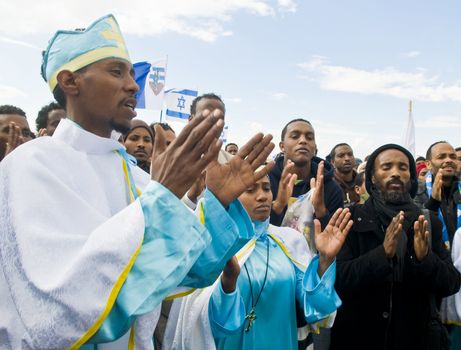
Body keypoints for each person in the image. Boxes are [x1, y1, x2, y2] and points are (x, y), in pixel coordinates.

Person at [0, 14, 275, 349]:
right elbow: (61, 307)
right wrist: (165, 194)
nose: (133, 85)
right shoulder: (31, 164)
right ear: (71, 82)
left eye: (132, 73)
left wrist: (217, 201)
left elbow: (182, 272)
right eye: (117, 71)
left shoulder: (133, 175)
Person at [171, 174, 353, 350]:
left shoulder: (289, 240)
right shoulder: (216, 242)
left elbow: (314, 308)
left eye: (267, 188)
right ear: (232, 195)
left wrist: (325, 260)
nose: (262, 197)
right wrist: (228, 285)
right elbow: (207, 324)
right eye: (250, 190)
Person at [331, 144, 461, 350]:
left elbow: (451, 284)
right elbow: (337, 280)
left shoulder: (428, 221)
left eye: (402, 167)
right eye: (386, 167)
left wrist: (424, 259)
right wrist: (382, 255)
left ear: (410, 176)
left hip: (418, 338)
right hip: (360, 338)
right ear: (372, 177)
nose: (395, 173)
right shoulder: (351, 219)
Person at [269, 118, 343, 227]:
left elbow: (336, 237)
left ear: (314, 147)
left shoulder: (332, 188)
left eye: (310, 137)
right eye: (295, 136)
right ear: (282, 146)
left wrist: (320, 211)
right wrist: (277, 207)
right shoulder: (265, 182)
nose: (303, 141)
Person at [414, 141, 460, 249]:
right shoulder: (416, 191)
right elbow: (415, 225)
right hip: (434, 259)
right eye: (441, 157)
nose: (448, 160)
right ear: (428, 164)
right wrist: (433, 202)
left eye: (453, 157)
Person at [330, 143, 360, 207]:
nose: (347, 158)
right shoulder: (328, 185)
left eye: (350, 154)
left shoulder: (363, 182)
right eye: (341, 155)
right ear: (332, 162)